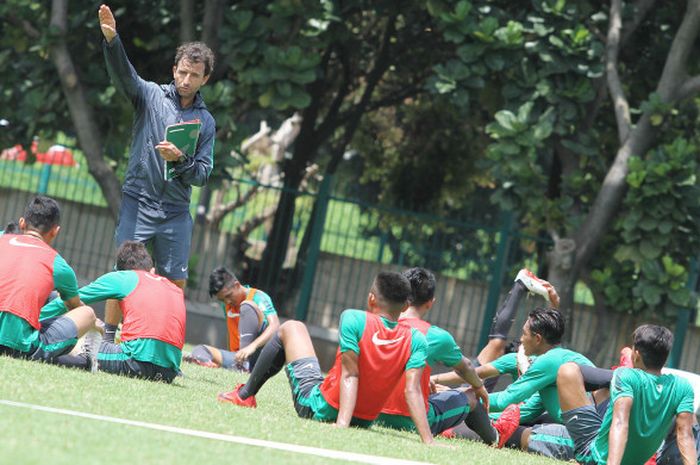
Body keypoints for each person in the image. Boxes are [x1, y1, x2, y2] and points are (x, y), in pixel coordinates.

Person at [217, 271, 436, 444]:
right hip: (365, 419)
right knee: (303, 339)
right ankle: (246, 394)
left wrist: (342, 423)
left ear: (371, 299)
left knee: (291, 327)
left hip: (321, 409)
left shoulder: (354, 318)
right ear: (405, 306)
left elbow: (351, 374)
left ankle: (245, 395)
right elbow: (413, 390)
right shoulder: (417, 339)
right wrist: (428, 440)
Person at [98, 4, 216, 289]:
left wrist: (181, 160)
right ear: (174, 70)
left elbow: (202, 174)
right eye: (183, 72)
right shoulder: (150, 96)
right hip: (138, 200)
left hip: (176, 210)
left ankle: (167, 336)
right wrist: (113, 42)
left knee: (175, 282)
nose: (187, 80)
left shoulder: (206, 121)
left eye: (195, 75)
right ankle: (109, 334)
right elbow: (125, 78)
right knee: (124, 274)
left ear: (205, 79)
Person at [375, 267, 517, 445]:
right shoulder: (435, 336)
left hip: (371, 413)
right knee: (470, 396)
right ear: (431, 302)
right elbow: (466, 368)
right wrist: (479, 386)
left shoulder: (375, 324)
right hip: (411, 420)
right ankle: (496, 437)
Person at [42, 241, 186, 383]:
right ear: (151, 268)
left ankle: (73, 358)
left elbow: (71, 299)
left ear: (120, 270)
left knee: (82, 330)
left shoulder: (124, 277)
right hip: (169, 372)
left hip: (135, 362)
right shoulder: (174, 288)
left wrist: (36, 318)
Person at [557, 325, 697, 465]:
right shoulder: (682, 387)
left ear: (636, 354)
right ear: (665, 358)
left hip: (596, 458)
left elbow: (620, 423)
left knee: (567, 371)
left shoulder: (626, 375)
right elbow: (686, 435)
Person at [0, 196, 99, 367]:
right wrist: (97, 325)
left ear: (22, 223)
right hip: (17, 346)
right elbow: (75, 308)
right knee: (87, 314)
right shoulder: (58, 264)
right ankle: (84, 361)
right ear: (55, 231)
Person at [183, 267, 279, 371]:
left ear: (237, 285)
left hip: (258, 358)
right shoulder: (227, 305)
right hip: (237, 358)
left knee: (247, 306)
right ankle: (225, 365)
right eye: (222, 300)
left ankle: (243, 365)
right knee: (200, 350)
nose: (227, 302)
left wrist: (252, 346)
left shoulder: (258, 297)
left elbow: (275, 325)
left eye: (229, 295)